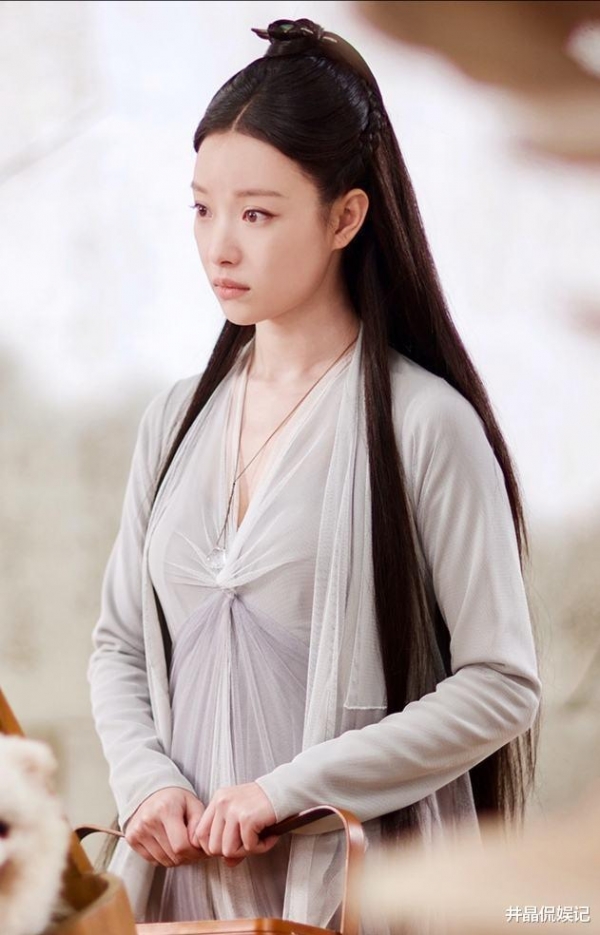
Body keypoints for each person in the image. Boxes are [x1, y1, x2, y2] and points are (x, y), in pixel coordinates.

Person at [87, 16, 542, 931]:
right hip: (183, 894)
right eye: (202, 208)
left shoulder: (423, 425)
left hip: (353, 891)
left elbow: (502, 683)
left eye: (256, 213)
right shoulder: (174, 421)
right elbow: (120, 644)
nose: (219, 246)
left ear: (345, 216)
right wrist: (147, 781)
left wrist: (288, 790)